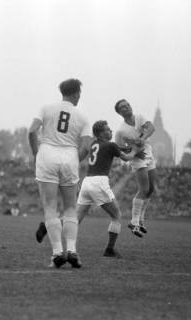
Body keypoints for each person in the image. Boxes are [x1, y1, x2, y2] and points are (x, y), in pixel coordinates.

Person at [28, 78, 91, 269]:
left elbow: (32, 131)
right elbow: (87, 147)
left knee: (50, 207)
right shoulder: (82, 116)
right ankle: (71, 250)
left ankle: (56, 253)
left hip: (47, 154)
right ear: (75, 93)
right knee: (71, 208)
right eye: (79, 92)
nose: (80, 96)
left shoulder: (46, 108)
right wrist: (73, 159)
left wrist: (35, 153)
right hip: (70, 155)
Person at [76, 120, 145, 258]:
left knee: (75, 219)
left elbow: (115, 148)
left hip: (87, 182)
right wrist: (136, 151)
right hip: (99, 182)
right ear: (101, 133)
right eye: (108, 129)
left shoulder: (94, 144)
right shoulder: (110, 145)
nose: (111, 131)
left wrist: (129, 149)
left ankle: (48, 227)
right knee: (116, 216)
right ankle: (109, 249)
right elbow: (125, 158)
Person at [114, 99, 156, 237]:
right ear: (120, 112)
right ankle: (134, 222)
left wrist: (142, 138)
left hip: (148, 152)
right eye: (123, 108)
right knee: (143, 189)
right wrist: (132, 151)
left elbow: (151, 128)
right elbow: (119, 147)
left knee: (151, 189)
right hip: (137, 158)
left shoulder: (139, 117)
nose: (127, 108)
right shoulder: (121, 130)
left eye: (127, 105)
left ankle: (141, 220)